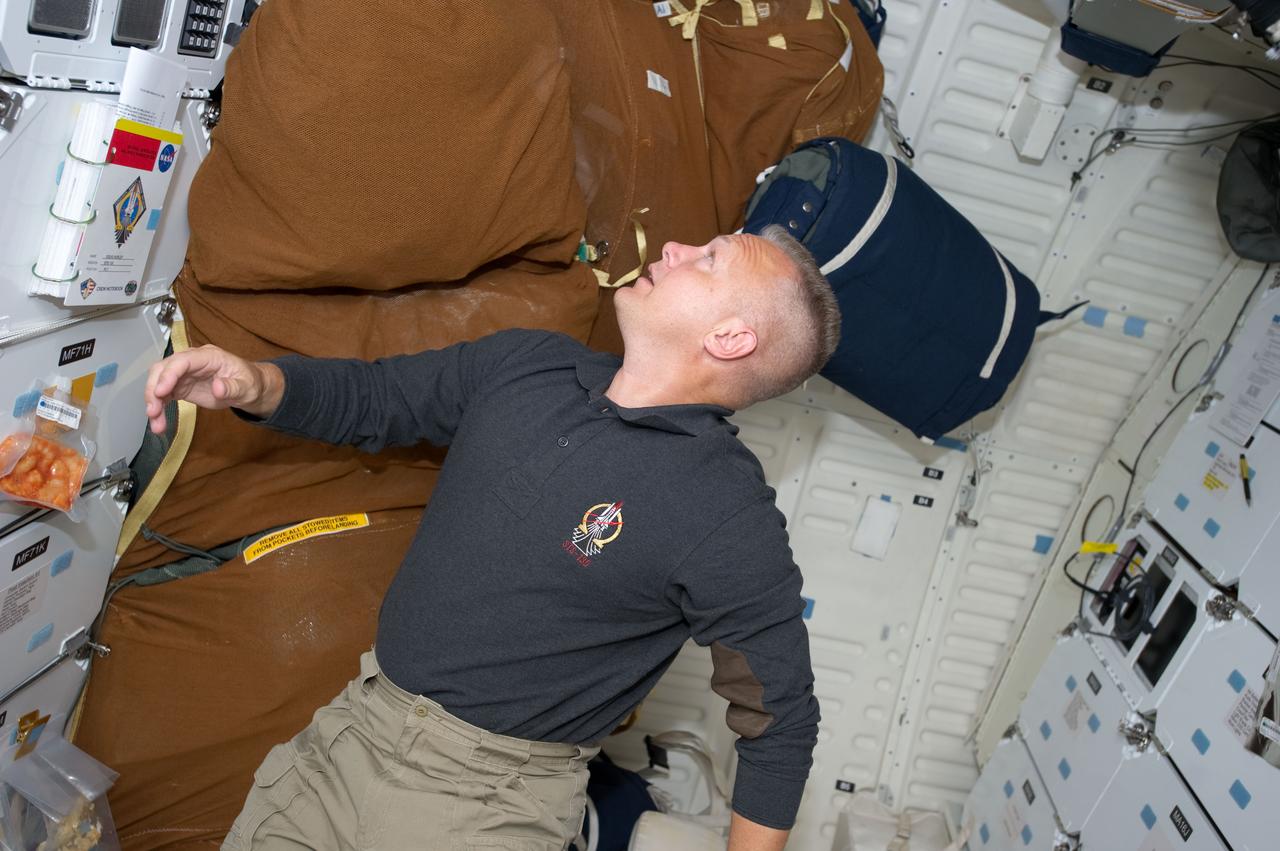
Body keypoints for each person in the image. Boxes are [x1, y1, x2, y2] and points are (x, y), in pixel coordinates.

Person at [145, 225, 841, 851]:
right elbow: (379, 398)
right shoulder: (530, 365)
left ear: (729, 338)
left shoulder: (727, 514)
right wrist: (256, 382)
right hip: (349, 733)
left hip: (487, 806)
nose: (673, 247)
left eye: (707, 259)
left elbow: (780, 721)